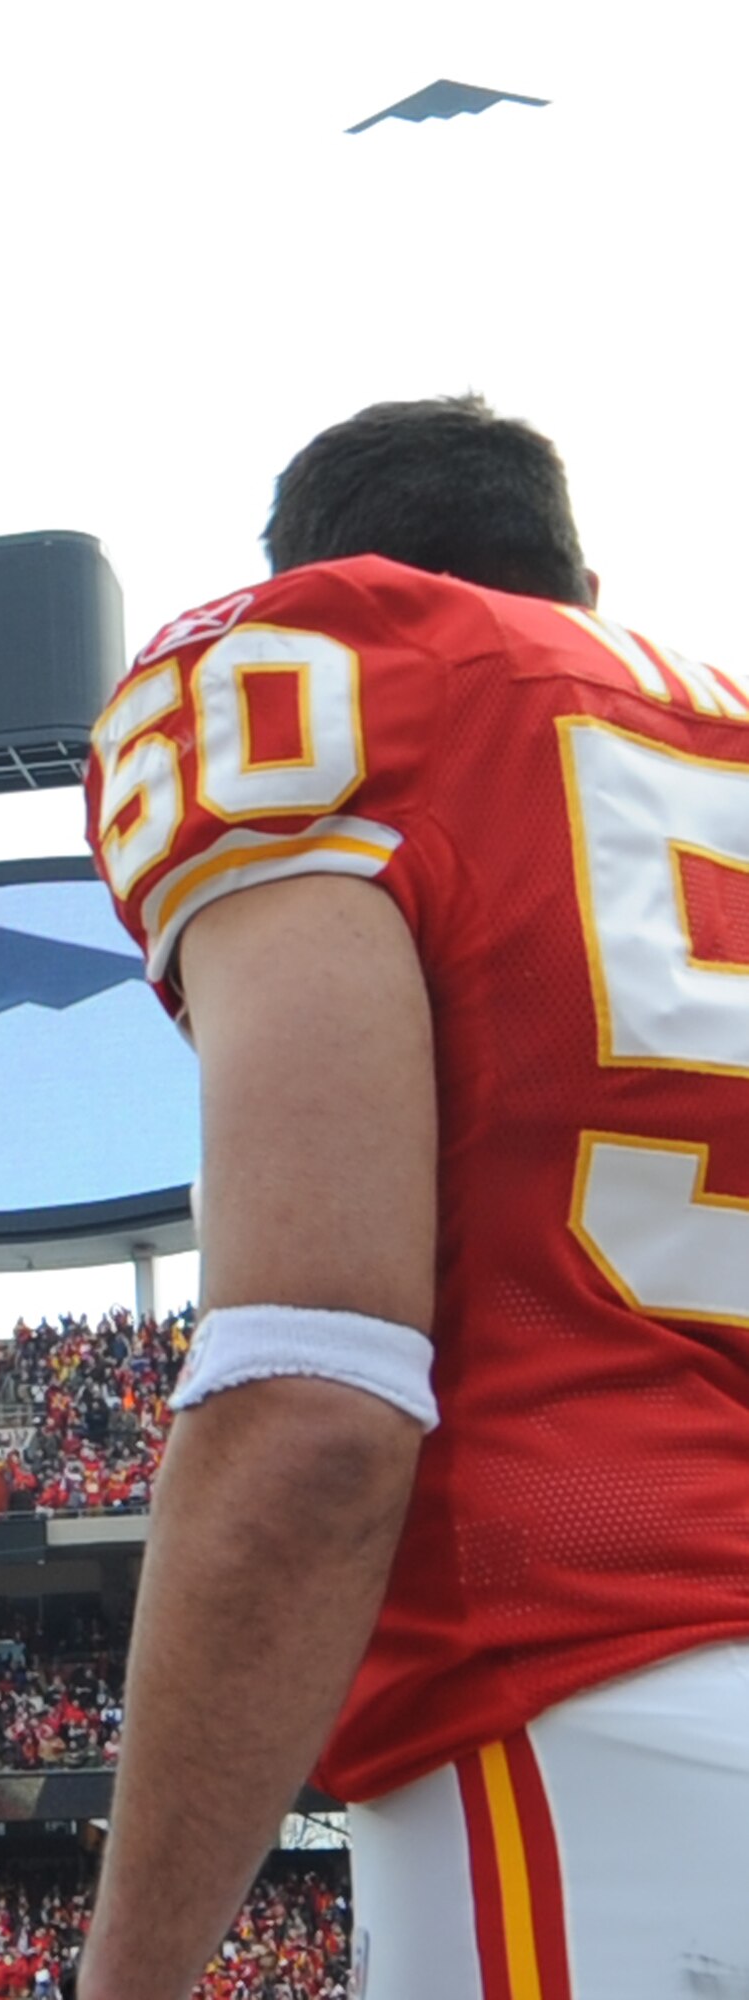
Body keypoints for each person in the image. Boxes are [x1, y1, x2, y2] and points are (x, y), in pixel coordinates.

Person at [79, 394, 749, 2000]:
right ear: (580, 596)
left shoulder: (333, 692)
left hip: (590, 1722)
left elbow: (318, 1398)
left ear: (336, 584)